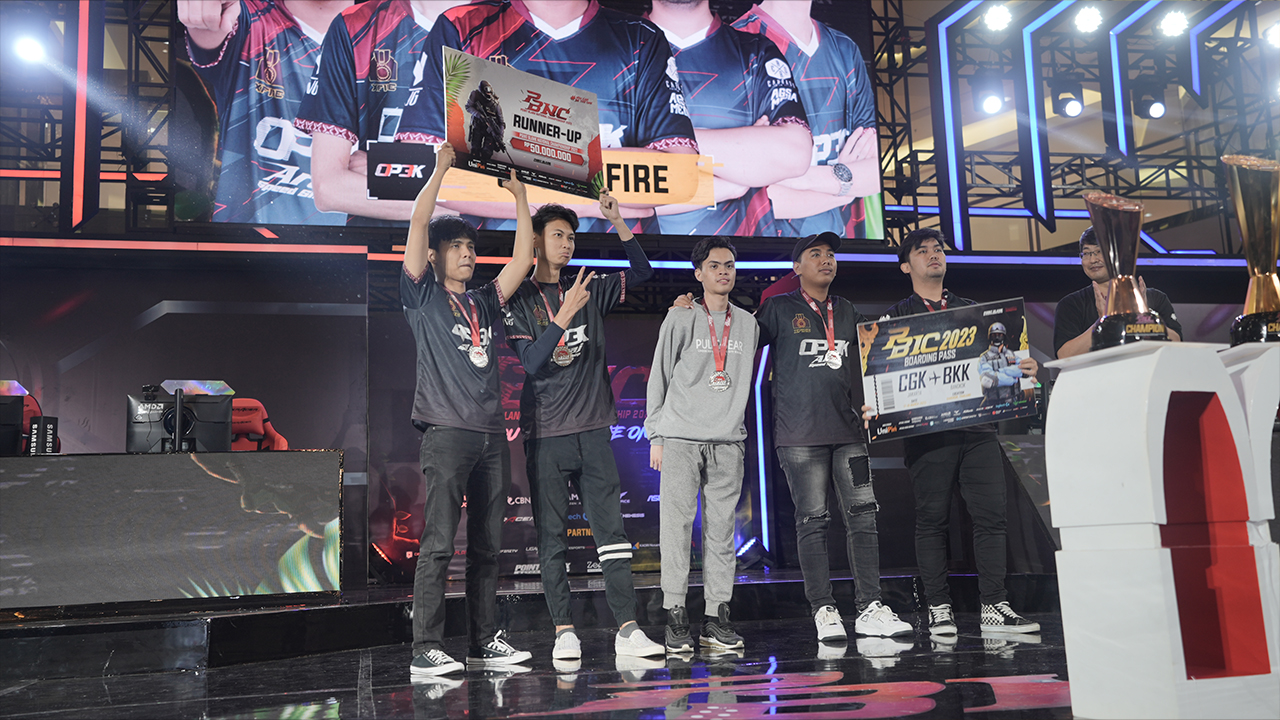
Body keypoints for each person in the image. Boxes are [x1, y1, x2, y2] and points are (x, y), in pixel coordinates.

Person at [684, 231, 910, 642]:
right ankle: (823, 609)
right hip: (799, 435)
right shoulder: (778, 308)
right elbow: (734, 338)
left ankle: (870, 607)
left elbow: (877, 356)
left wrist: (877, 402)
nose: (826, 260)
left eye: (830, 254)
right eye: (815, 254)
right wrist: (692, 310)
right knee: (812, 521)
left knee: (863, 519)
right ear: (797, 267)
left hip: (848, 433)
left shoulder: (847, 310)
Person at [501, 193, 663, 660]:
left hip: (593, 430)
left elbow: (643, 272)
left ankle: (628, 629)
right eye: (557, 235)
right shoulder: (518, 297)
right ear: (536, 241)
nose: (567, 244)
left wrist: (618, 221)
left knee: (612, 535)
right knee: (551, 537)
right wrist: (564, 315)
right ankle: (563, 630)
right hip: (546, 435)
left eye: (571, 237)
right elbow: (531, 362)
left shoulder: (588, 287)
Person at [401, 142, 534, 676]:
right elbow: (418, 223)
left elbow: (522, 261)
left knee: (487, 546)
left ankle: (483, 642)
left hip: (491, 436)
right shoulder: (422, 296)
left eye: (470, 247)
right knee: (438, 544)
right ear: (434, 256)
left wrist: (520, 198)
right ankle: (425, 649)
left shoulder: (481, 302)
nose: (466, 253)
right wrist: (438, 172)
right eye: (454, 246)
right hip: (446, 433)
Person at [394, 0, 699, 233]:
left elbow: (678, 175)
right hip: (488, 260)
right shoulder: (462, 26)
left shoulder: (641, 37)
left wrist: (500, 168)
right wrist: (590, 203)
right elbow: (425, 173)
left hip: (614, 262)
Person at [875, 227, 1040, 637]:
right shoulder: (893, 321)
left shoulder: (976, 313)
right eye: (922, 251)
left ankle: (994, 605)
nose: (934, 255)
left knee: (992, 518)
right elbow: (877, 382)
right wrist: (872, 399)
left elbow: (1001, 367)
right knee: (932, 521)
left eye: (938, 249)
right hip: (927, 434)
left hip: (979, 429)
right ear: (905, 266)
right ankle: (938, 607)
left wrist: (1025, 370)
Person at [645, 236, 760, 653]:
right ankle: (676, 615)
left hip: (727, 441)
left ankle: (716, 617)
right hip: (680, 437)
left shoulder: (748, 323)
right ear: (699, 274)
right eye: (714, 266)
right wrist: (656, 434)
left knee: (722, 532)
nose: (723, 272)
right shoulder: (680, 317)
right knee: (675, 529)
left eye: (729, 265)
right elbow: (658, 376)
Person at [645, 0, 812, 236]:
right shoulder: (609, 50)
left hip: (743, 253)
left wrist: (650, 142)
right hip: (625, 253)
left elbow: (794, 154)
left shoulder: (756, 51)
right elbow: (596, 190)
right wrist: (728, 182)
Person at [178, 0, 351, 225]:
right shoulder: (248, 20)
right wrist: (208, 10)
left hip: (363, 243)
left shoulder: (390, 36)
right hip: (251, 242)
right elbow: (214, 22)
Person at [294, 0, 466, 226]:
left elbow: (514, 192)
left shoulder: (503, 27)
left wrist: (384, 173)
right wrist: (462, 209)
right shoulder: (355, 25)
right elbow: (329, 188)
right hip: (381, 240)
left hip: (485, 243)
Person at [733, 1, 881, 239]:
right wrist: (847, 185)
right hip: (767, 250)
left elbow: (875, 173)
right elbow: (745, 198)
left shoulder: (844, 48)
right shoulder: (733, 44)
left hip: (845, 246)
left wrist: (798, 177)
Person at [1053, 226, 1183, 358]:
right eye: (1086, 253)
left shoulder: (1155, 298)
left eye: (1099, 251)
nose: (1093, 260)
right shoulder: (1071, 304)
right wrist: (1103, 322)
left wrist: (1144, 316)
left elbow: (1176, 342)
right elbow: (1064, 355)